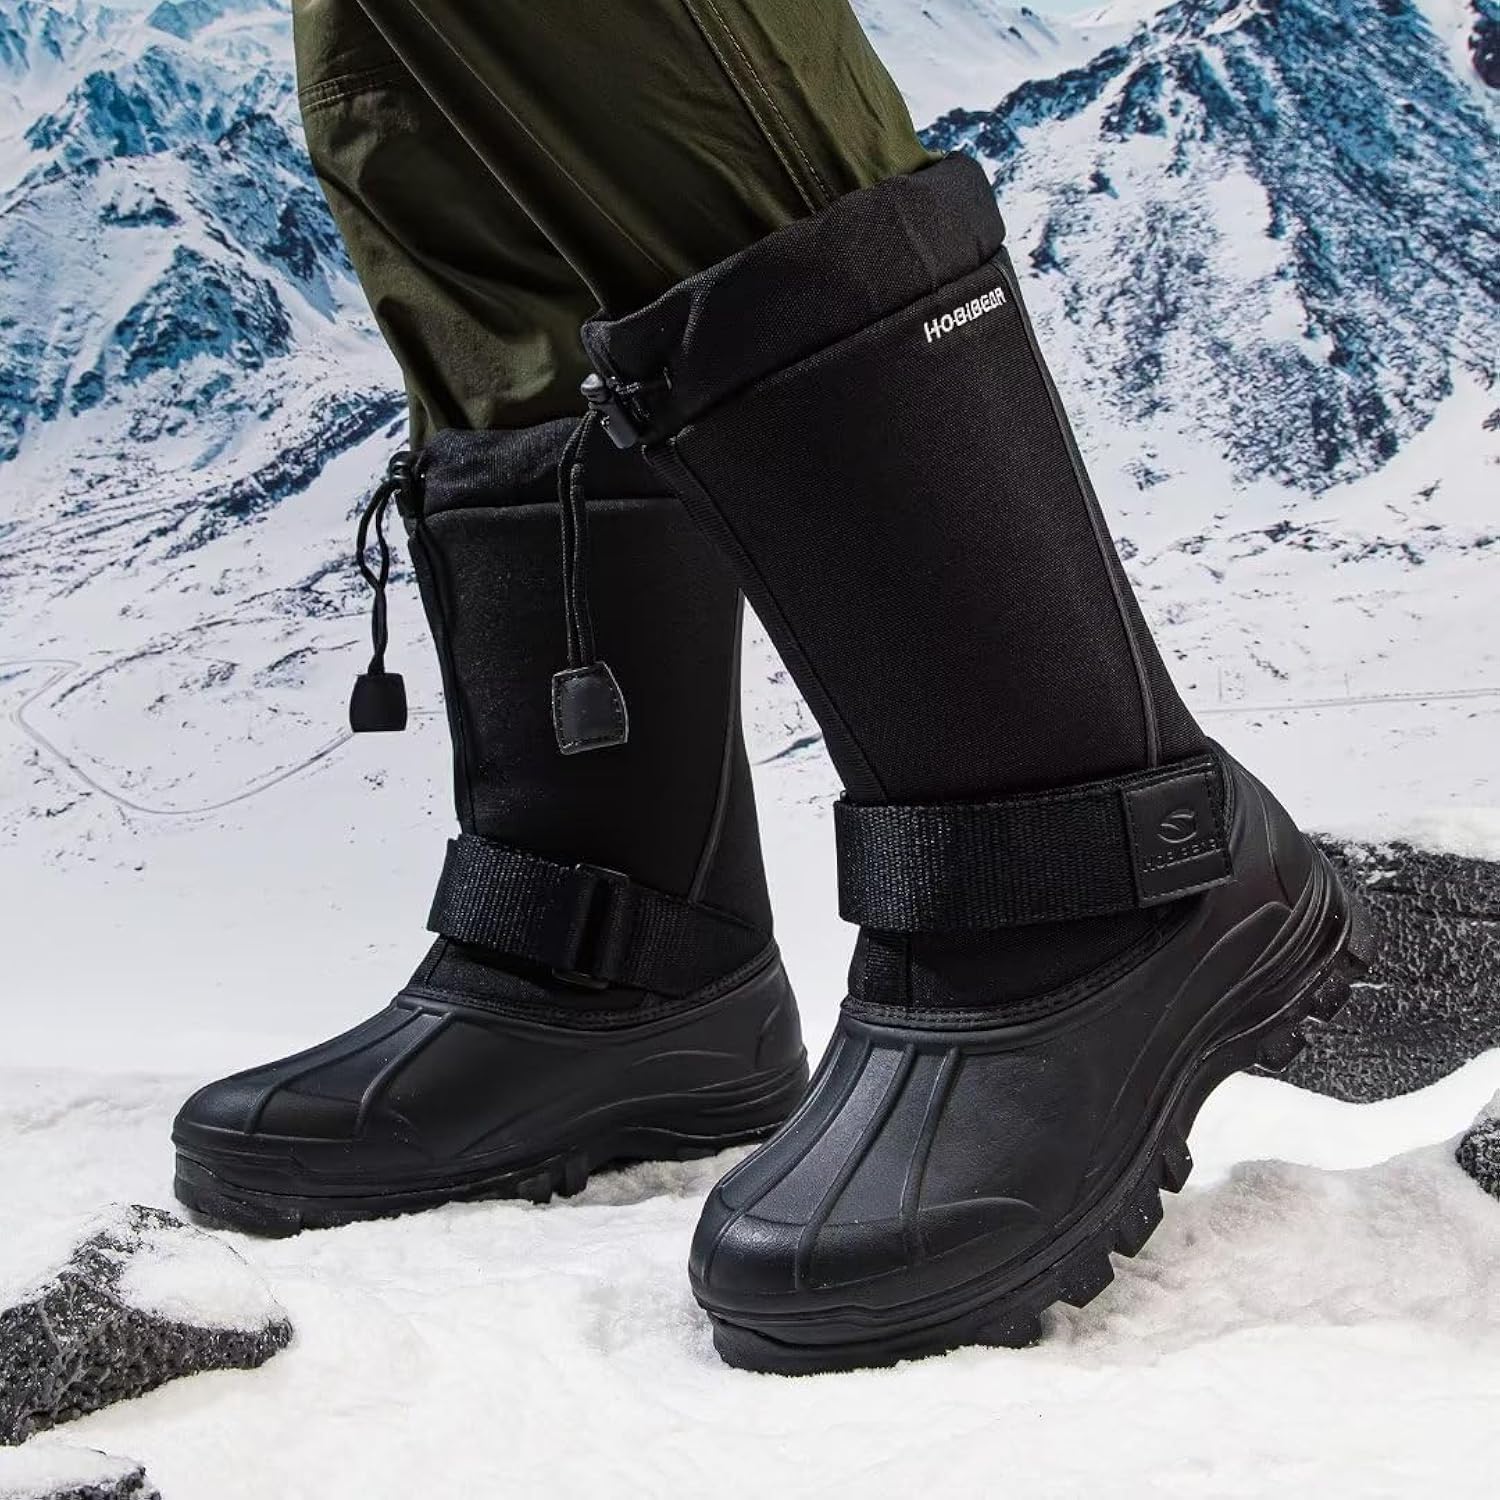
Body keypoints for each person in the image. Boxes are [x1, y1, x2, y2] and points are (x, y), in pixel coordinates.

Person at [171, 0, 1369, 1373]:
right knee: (422, 126)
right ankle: (622, 955)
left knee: (647, 61)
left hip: (1096, 875)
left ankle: (1095, 866)